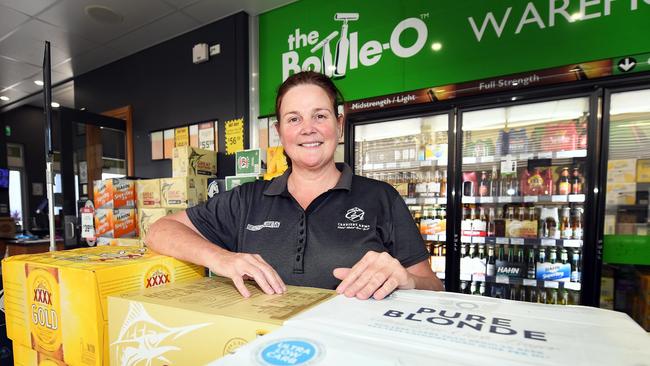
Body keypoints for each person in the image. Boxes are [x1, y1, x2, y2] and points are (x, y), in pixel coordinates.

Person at [147, 71, 444, 299]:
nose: (307, 129)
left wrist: (406, 282)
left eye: (320, 115)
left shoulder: (381, 197)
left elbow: (434, 287)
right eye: (294, 119)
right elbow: (159, 231)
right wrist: (222, 259)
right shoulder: (247, 199)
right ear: (279, 132)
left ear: (339, 125)